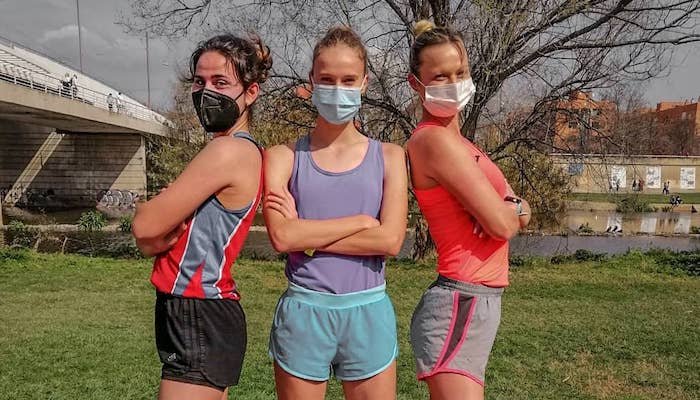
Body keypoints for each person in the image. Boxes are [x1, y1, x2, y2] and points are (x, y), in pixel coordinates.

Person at [264, 26, 407, 400]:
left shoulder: (390, 156)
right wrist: (361, 223)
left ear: (364, 83)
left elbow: (390, 240)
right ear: (311, 81)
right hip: (304, 313)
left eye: (348, 79)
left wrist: (308, 234)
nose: (337, 88)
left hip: (369, 313)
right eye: (327, 79)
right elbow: (282, 237)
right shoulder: (283, 157)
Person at [131, 33, 272, 400]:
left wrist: (153, 218)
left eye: (221, 83)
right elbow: (150, 239)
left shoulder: (227, 152)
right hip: (193, 309)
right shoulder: (235, 149)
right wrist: (153, 229)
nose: (206, 92)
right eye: (200, 81)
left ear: (251, 93)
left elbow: (144, 225)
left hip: (199, 310)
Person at [405, 21, 531, 400]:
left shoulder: (463, 145)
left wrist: (512, 208)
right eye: (440, 76)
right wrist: (508, 210)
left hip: (478, 300)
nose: (455, 83)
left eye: (460, 73)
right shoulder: (432, 142)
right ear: (416, 83)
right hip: (461, 300)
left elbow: (520, 211)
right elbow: (504, 225)